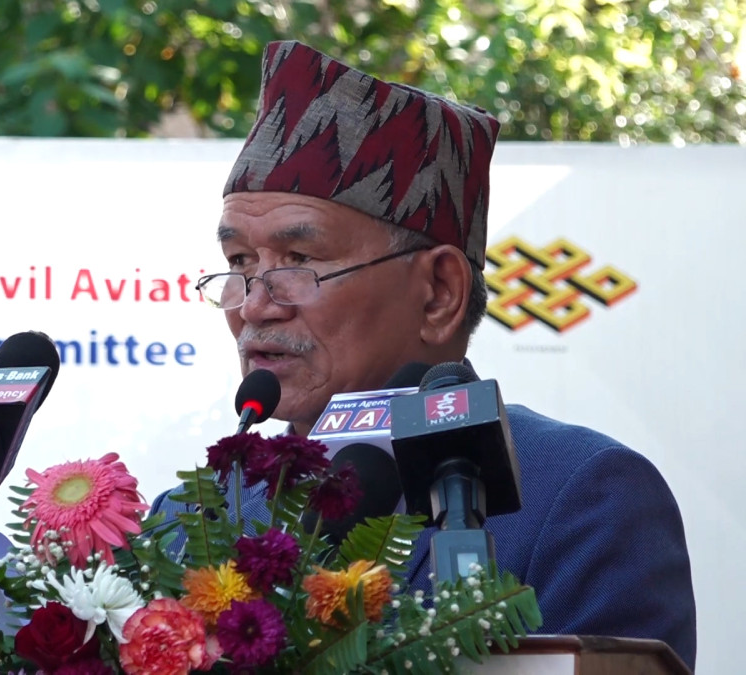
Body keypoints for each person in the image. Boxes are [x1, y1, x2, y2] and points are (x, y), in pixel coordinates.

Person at [148, 40, 697, 670]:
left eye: (299, 260)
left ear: (439, 293)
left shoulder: (580, 496)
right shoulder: (193, 516)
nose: (253, 304)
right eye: (240, 262)